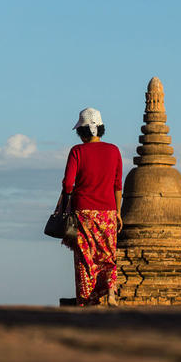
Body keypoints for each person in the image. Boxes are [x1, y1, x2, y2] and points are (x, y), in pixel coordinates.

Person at [61, 107, 123, 306]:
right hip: (109, 212)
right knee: (108, 254)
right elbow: (117, 186)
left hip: (84, 211)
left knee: (86, 257)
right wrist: (118, 213)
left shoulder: (77, 151)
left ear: (82, 131)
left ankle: (87, 300)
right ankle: (111, 293)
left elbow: (68, 184)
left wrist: (64, 205)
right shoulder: (114, 151)